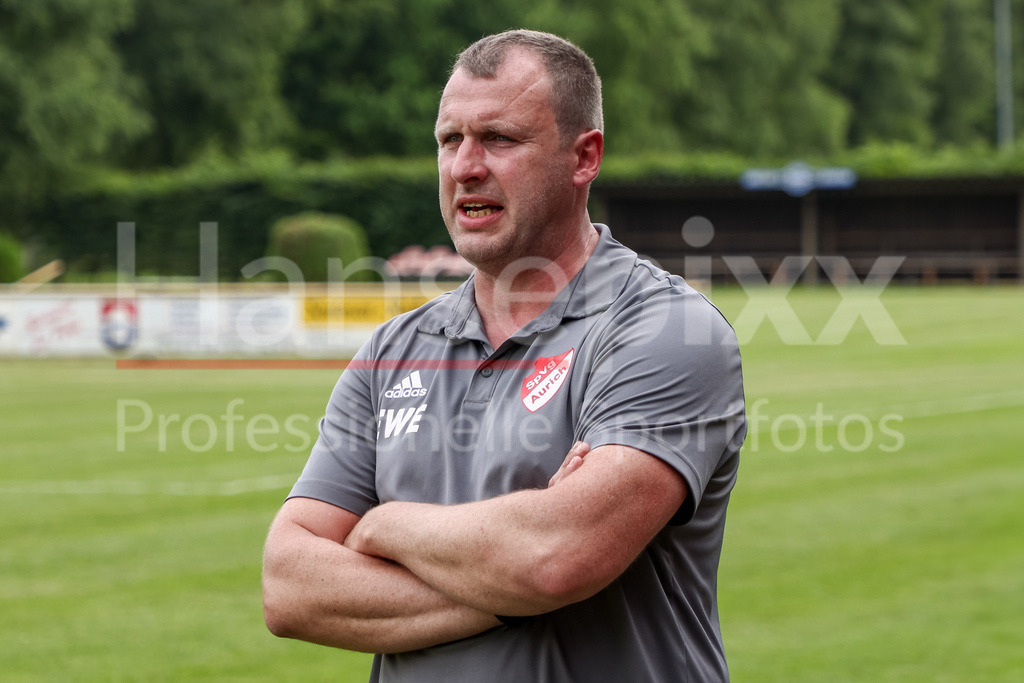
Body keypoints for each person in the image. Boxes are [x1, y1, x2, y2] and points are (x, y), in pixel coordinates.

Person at [262, 29, 746, 682]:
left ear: (584, 157)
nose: (465, 166)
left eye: (499, 139)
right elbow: (290, 586)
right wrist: (514, 579)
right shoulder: (392, 351)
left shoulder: (665, 329)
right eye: (448, 140)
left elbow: (556, 559)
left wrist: (385, 526)